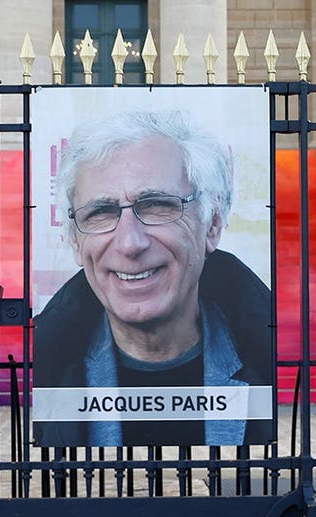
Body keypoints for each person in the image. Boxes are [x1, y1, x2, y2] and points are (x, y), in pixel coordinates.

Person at [33, 109, 272, 448]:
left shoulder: (279, 363)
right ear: (74, 241)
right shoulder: (39, 373)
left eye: (157, 205)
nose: (130, 243)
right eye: (101, 212)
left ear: (213, 224)